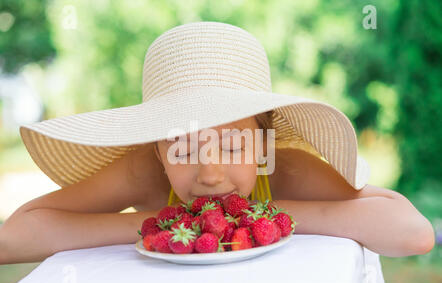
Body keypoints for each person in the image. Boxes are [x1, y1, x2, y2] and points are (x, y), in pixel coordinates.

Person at [0, 21, 434, 265]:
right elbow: (12, 239)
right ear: (157, 150)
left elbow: (413, 234)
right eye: (183, 149)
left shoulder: (285, 169)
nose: (209, 173)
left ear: (264, 144)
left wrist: (256, 220)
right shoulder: (143, 172)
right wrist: (164, 224)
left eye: (231, 145)